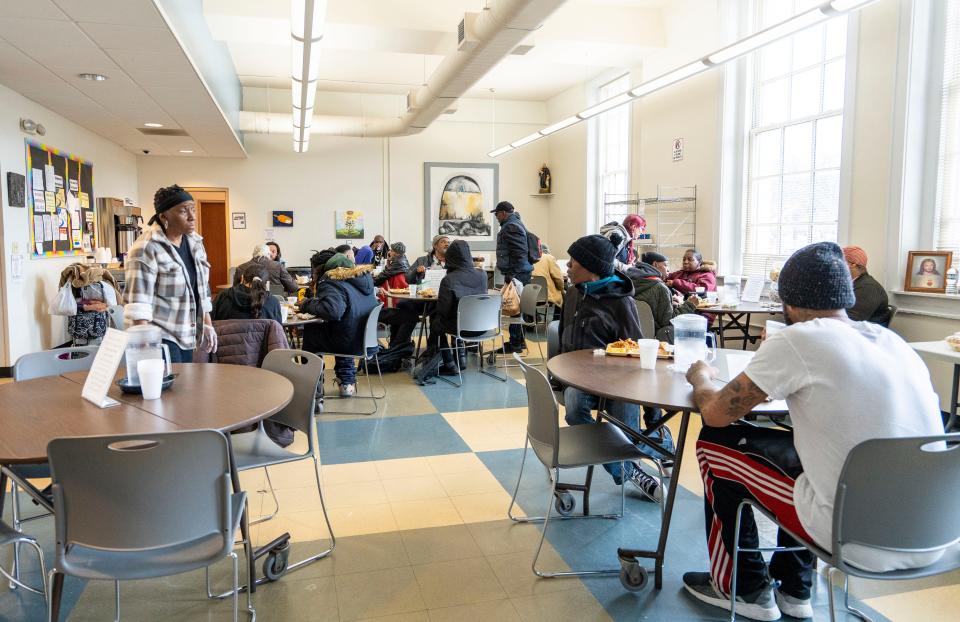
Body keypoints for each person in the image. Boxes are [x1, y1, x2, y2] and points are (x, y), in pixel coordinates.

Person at [681, 242, 945, 621]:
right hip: (934, 532)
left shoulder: (796, 339)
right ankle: (794, 588)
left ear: (789, 301)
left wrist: (701, 376)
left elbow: (717, 415)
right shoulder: (890, 341)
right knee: (808, 456)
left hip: (858, 537)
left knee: (715, 446)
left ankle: (742, 587)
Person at [559, 234, 662, 502]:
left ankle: (632, 454)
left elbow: (637, 350)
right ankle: (628, 469)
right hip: (577, 379)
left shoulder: (620, 302)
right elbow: (562, 336)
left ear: (592, 269)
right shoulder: (573, 293)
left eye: (573, 262)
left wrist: (654, 412)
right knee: (574, 404)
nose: (567, 266)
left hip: (614, 380)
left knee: (624, 415)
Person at [124, 184, 217, 362]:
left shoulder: (195, 243)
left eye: (192, 210)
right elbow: (138, 305)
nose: (192, 217)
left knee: (185, 385)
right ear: (164, 216)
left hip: (186, 332)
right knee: (170, 387)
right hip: (159, 334)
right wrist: (146, 349)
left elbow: (201, 289)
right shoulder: (146, 248)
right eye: (183, 211)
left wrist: (207, 323)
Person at [300, 253, 378, 397]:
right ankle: (347, 382)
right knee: (342, 326)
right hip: (365, 342)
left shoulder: (331, 282)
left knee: (311, 331)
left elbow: (332, 311)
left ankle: (313, 391)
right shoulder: (363, 279)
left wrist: (306, 304)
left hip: (349, 343)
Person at [421, 239, 487, 377]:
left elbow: (442, 311)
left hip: (460, 327)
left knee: (436, 321)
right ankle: (461, 359)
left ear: (450, 257)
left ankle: (449, 363)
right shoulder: (483, 274)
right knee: (458, 318)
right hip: (483, 327)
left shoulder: (449, 279)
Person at [492, 201, 534, 353]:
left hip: (517, 273)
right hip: (520, 272)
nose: (496, 217)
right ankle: (519, 341)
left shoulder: (511, 226)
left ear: (503, 213)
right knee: (517, 308)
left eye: (497, 214)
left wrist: (511, 275)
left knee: (513, 308)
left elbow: (519, 252)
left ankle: (515, 343)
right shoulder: (515, 223)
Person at [212, 263, 282, 323]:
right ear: (266, 283)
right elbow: (278, 332)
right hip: (261, 339)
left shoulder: (222, 296)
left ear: (242, 278)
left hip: (226, 339)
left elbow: (211, 323)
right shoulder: (273, 302)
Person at [842, 246, 890, 325]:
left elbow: (852, 320)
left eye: (839, 262)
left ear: (853, 264)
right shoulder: (854, 283)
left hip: (866, 334)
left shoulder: (868, 287)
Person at [234, 244, 299, 294]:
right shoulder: (278, 266)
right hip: (275, 301)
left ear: (253, 254)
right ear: (268, 254)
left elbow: (235, 290)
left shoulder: (240, 268)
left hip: (246, 303)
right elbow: (293, 288)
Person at [531, 242, 565, 315]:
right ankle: (556, 321)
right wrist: (562, 290)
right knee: (564, 296)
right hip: (547, 297)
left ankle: (533, 320)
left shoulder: (529, 258)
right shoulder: (549, 258)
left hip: (530, 295)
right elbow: (559, 279)